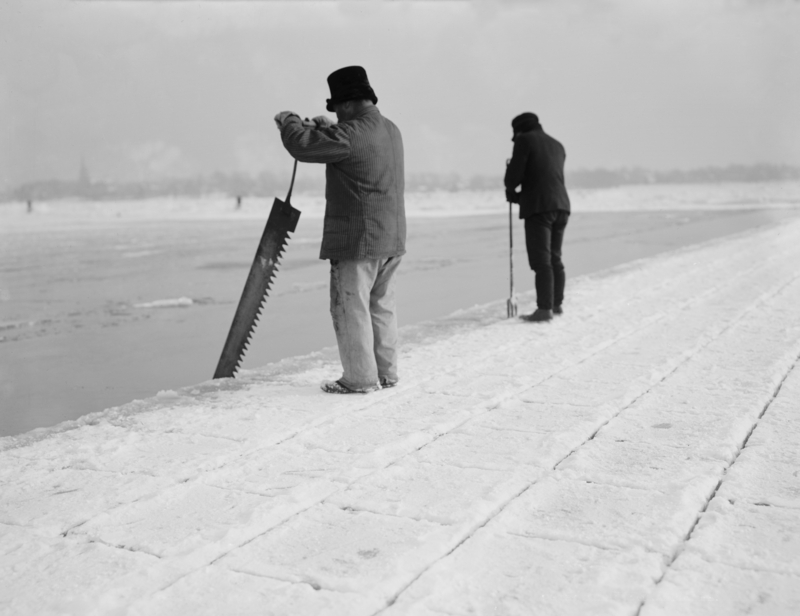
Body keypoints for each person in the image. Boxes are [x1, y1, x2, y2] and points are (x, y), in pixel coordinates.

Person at [273, 66, 406, 394]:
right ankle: (386, 374)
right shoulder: (390, 129)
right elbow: (349, 143)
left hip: (358, 239)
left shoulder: (350, 135)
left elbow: (302, 146)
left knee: (349, 307)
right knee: (380, 306)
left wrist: (288, 120)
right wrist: (330, 127)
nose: (336, 113)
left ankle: (360, 378)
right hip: (391, 237)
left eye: (337, 108)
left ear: (346, 104)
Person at [504, 112, 571, 322]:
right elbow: (543, 177)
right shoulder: (557, 145)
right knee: (555, 257)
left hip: (539, 208)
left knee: (541, 261)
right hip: (561, 206)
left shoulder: (525, 140)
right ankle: (556, 304)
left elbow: (512, 179)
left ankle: (544, 309)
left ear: (519, 130)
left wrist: (511, 184)